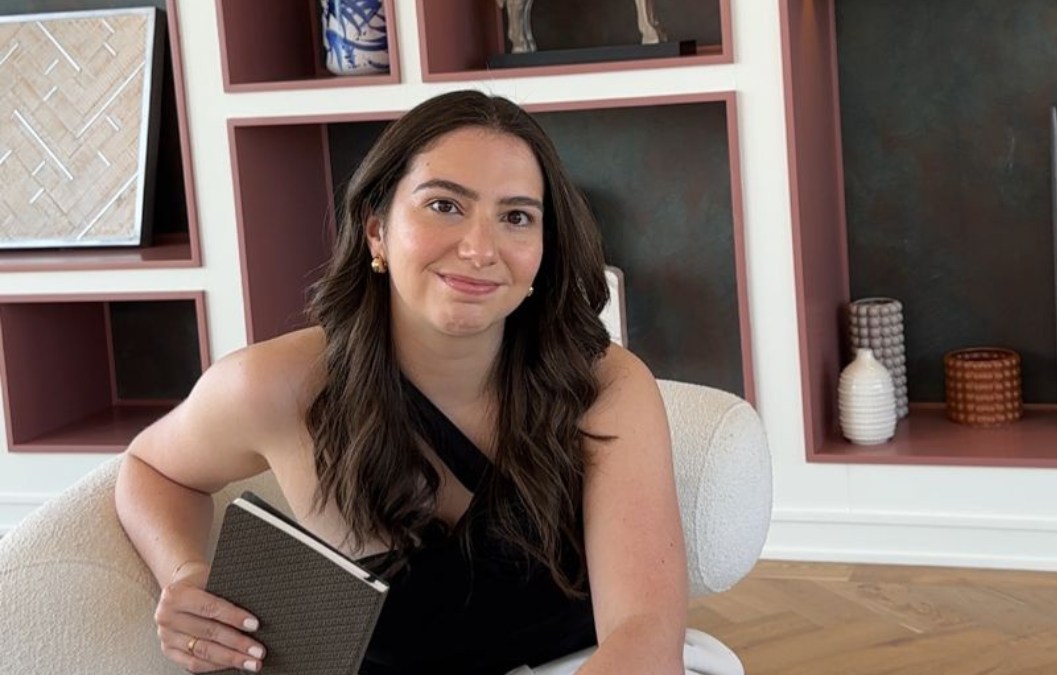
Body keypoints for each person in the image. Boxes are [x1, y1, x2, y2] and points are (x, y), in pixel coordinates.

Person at [114, 90, 689, 675]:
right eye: (444, 205)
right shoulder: (276, 386)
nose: (479, 249)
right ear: (376, 231)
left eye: (516, 217)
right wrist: (183, 573)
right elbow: (150, 468)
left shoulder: (603, 386)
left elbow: (644, 635)